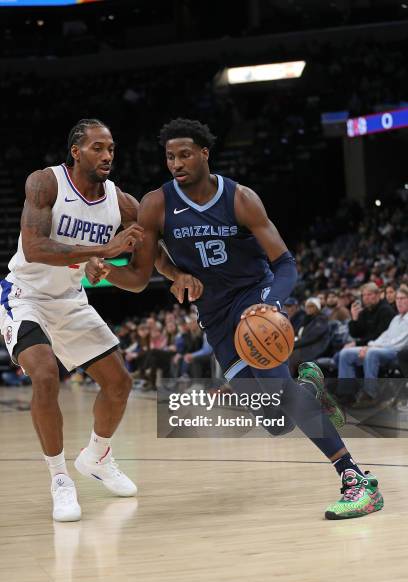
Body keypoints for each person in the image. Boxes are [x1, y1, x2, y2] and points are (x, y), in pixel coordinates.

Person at [86, 118, 384, 520]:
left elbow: (286, 264)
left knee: (279, 389)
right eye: (170, 156)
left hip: (254, 301)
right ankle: (311, 392)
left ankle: (355, 479)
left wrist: (271, 303)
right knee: (276, 421)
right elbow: (140, 278)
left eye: (185, 154)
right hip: (215, 316)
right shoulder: (157, 203)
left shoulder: (240, 198)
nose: (177, 163)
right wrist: (110, 273)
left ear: (205, 154)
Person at [0, 118, 202, 523]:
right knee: (43, 376)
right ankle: (60, 479)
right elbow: (35, 246)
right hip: (25, 295)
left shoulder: (121, 202)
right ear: (76, 151)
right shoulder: (47, 183)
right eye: (97, 147)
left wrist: (175, 274)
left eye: (110, 148)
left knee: (119, 383)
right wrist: (103, 249)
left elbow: (149, 246)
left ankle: (97, 455)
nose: (107, 155)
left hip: (70, 299)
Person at [338, 285, 408, 403]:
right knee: (345, 353)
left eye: (403, 298)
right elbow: (384, 336)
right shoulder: (396, 319)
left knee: (372, 353)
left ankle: (370, 394)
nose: (399, 302)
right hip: (382, 348)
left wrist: (373, 347)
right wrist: (369, 345)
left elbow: (399, 342)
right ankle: (347, 394)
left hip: (396, 351)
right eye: (397, 299)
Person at [289, 297, 330, 376]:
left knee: (292, 355)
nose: (309, 308)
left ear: (317, 308)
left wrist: (294, 345)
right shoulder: (306, 319)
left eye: (312, 306)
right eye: (307, 306)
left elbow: (311, 338)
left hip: (315, 347)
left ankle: (288, 383)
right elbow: (296, 333)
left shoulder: (321, 319)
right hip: (304, 346)